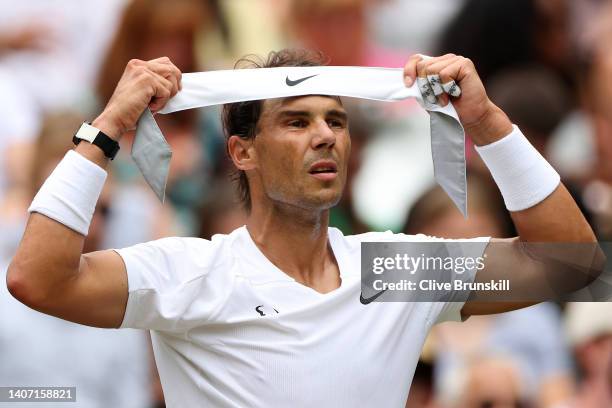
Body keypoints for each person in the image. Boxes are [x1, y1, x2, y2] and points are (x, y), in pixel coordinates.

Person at [6, 49, 601, 407]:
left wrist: (488, 121)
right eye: (296, 121)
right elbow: (38, 278)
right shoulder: (192, 272)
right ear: (242, 152)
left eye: (336, 121)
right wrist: (107, 125)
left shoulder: (389, 269)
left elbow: (569, 262)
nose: (325, 136)